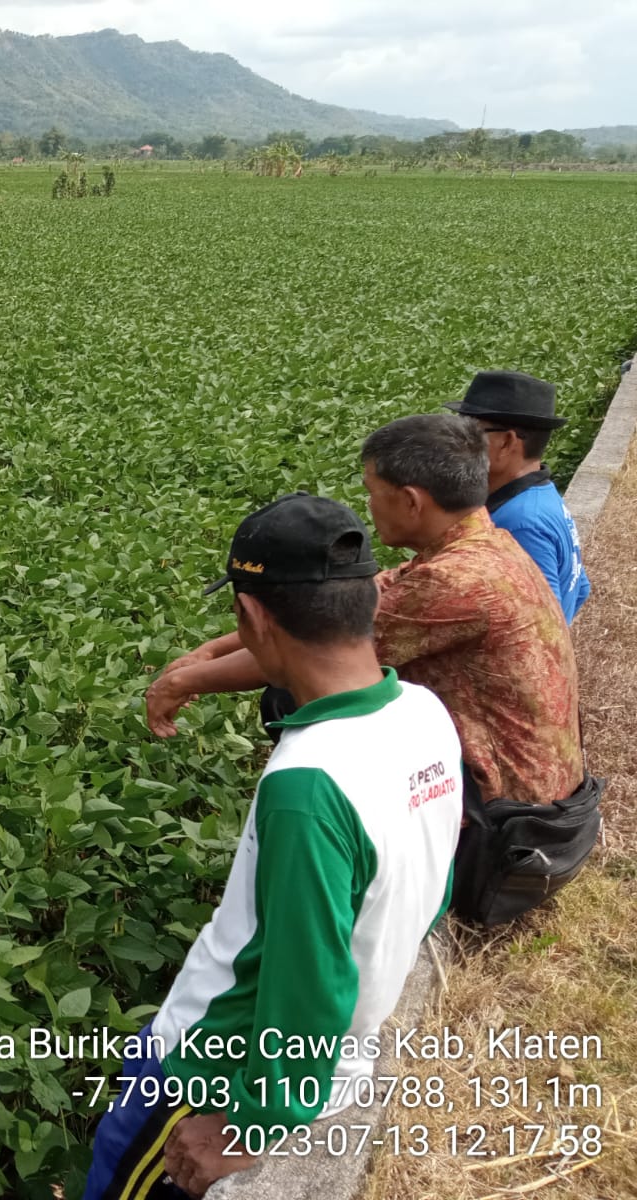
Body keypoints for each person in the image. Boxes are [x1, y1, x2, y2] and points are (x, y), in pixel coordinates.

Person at [83, 494, 463, 1200]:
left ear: (252, 616)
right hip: (345, 1058)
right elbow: (432, 886)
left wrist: (251, 1124)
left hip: (213, 1065)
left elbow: (304, 980)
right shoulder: (424, 711)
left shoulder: (308, 782)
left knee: (119, 1174)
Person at [147, 414, 594, 925]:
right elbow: (354, 601)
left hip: (507, 833)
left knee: (299, 694)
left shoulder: (457, 582)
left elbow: (315, 647)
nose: (367, 505)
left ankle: (333, 864)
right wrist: (209, 651)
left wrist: (182, 682)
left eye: (372, 491)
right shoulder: (483, 547)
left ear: (410, 500)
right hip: (545, 809)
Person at [444, 370, 590, 622]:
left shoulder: (520, 522)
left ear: (506, 442)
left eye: (467, 431)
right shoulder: (542, 498)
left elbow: (541, 626)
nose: (454, 441)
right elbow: (581, 589)